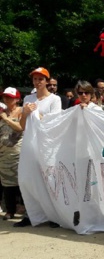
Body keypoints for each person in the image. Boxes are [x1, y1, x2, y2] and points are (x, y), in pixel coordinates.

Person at [15, 67, 62, 228]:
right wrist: (26, 113)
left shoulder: (55, 100)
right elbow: (22, 125)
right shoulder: (28, 98)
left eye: (41, 79)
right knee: (27, 178)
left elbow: (55, 123)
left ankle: (54, 215)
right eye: (35, 79)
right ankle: (32, 214)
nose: (37, 82)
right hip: (29, 143)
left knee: (47, 178)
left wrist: (38, 115)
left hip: (46, 145)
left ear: (47, 81)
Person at [0, 87, 23, 220]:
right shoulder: (1, 112)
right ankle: (10, 210)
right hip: (4, 154)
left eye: (10, 97)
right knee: (7, 183)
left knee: (21, 182)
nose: (6, 99)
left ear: (17, 99)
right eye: (5, 96)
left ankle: (23, 208)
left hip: (19, 153)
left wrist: (6, 119)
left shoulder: (21, 112)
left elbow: (21, 128)